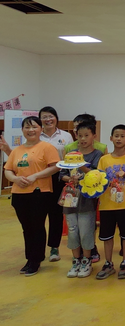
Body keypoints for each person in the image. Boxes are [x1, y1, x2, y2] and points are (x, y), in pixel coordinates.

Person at [4, 116, 59, 276]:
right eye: (27, 127)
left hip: (39, 193)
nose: (31, 130)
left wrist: (35, 176)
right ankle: (29, 258)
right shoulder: (17, 150)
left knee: (37, 226)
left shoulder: (46, 147)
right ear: (22, 130)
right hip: (19, 194)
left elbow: (55, 166)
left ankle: (36, 260)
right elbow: (8, 169)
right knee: (26, 228)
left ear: (41, 129)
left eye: (34, 127)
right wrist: (15, 179)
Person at [96, 124, 125, 280]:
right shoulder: (104, 159)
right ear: (111, 138)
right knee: (107, 236)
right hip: (107, 204)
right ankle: (108, 263)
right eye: (116, 136)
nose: (119, 139)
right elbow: (99, 179)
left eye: (122, 136)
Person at [61, 123, 103, 278]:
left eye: (86, 135)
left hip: (87, 199)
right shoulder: (70, 154)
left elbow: (97, 175)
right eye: (80, 136)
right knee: (72, 231)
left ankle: (86, 260)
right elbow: (62, 174)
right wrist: (69, 178)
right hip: (70, 197)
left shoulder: (97, 154)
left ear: (94, 136)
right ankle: (76, 260)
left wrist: (82, 166)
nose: (83, 139)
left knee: (86, 230)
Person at [39, 106, 74, 263]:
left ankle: (54, 247)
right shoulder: (36, 135)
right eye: (44, 117)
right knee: (39, 214)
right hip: (40, 178)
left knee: (56, 214)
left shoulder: (66, 136)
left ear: (56, 118)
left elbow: (71, 157)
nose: (48, 119)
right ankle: (38, 249)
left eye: (51, 116)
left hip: (59, 178)